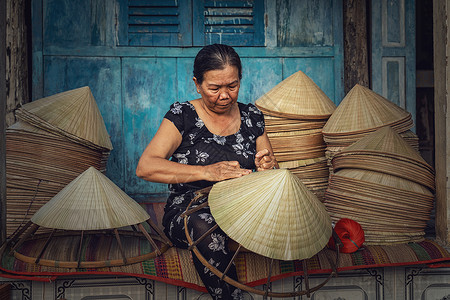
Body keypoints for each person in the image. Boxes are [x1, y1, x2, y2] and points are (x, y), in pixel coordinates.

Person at [136, 44, 278, 300]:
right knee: (205, 226)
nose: (224, 95)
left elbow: (271, 170)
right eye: (214, 88)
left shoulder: (252, 116)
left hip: (242, 208)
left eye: (232, 86)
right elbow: (146, 167)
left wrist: (268, 167)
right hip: (192, 209)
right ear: (197, 84)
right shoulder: (183, 115)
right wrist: (207, 172)